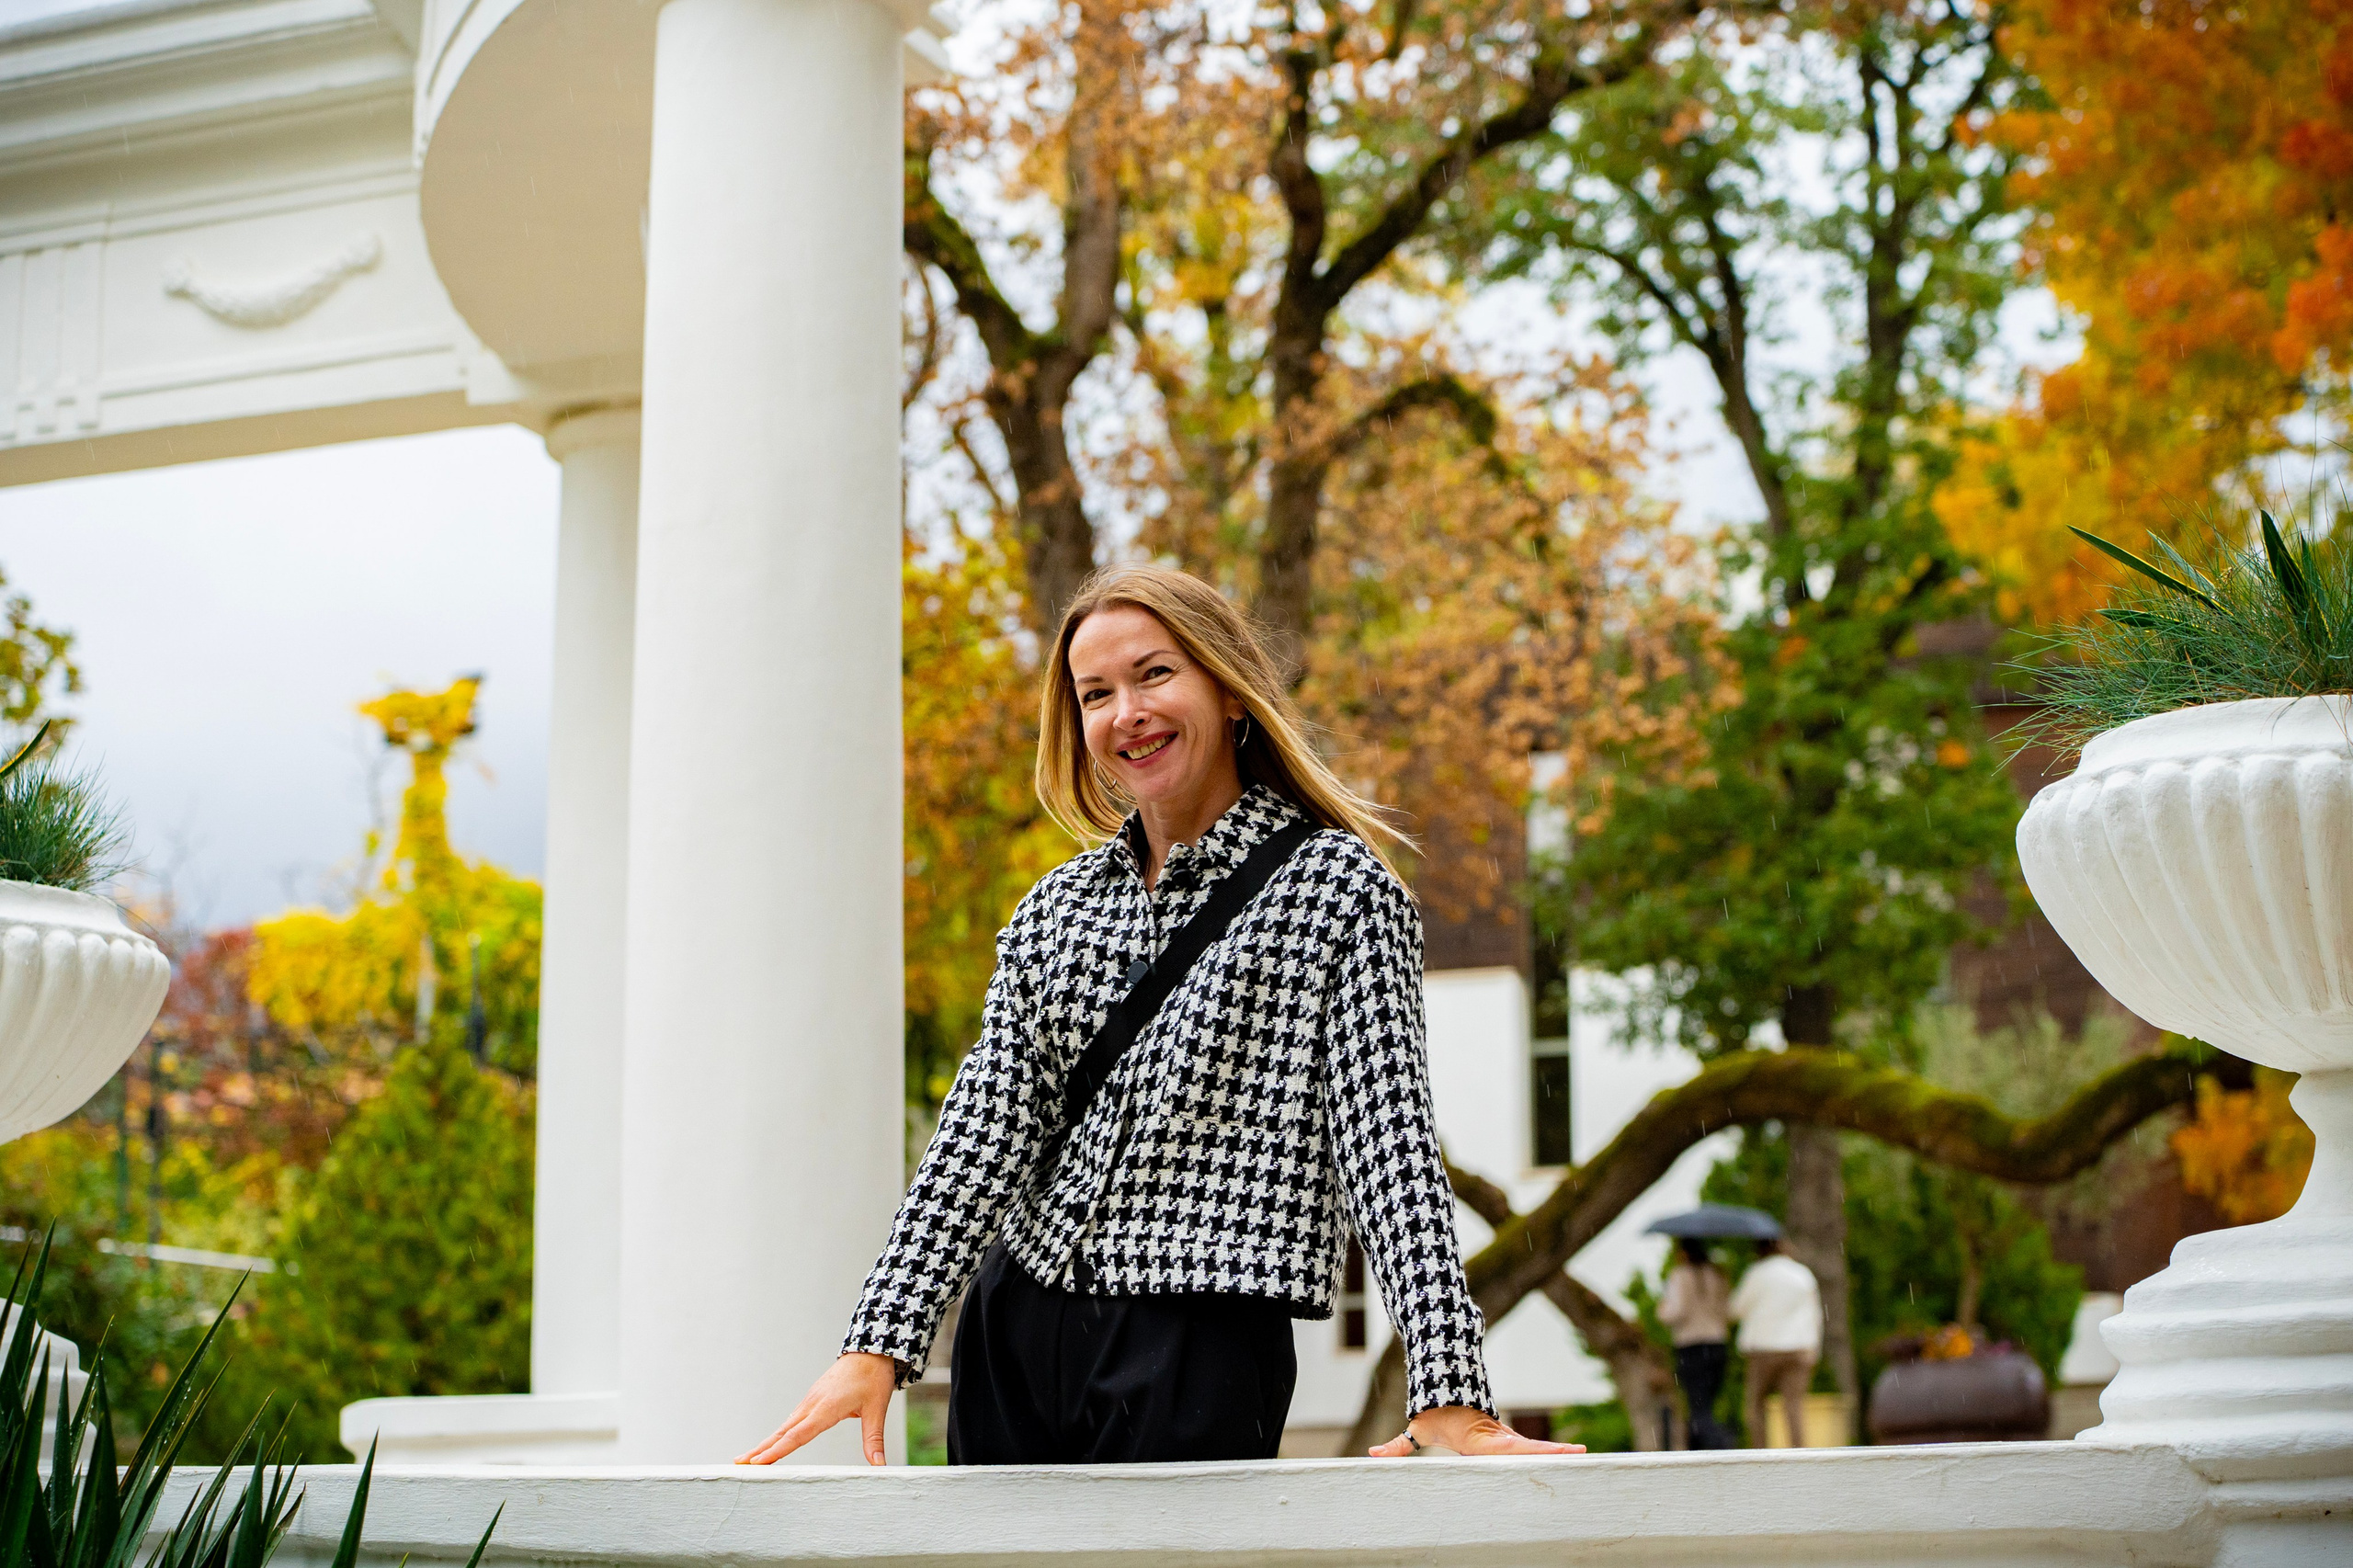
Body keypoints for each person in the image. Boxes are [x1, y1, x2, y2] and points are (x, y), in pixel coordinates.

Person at [734, 564, 1584, 1468]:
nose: (1124, 711)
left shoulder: (1341, 891)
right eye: (1095, 693)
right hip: (1015, 1323)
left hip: (1203, 1326)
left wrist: (1449, 1386)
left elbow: (1389, 1145)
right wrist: (880, 1339)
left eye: (1153, 674)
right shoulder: (1055, 908)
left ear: (1227, 689)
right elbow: (982, 1130)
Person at [1729, 1237, 1824, 1448]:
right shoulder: (1802, 1274)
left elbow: (1735, 1310)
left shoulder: (1756, 1274)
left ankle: (1761, 1455)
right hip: (1799, 1348)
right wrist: (1814, 1349)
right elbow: (1815, 1314)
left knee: (1755, 1405)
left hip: (1764, 1347)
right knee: (1794, 1406)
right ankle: (1798, 1456)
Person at [1657, 1237, 1733, 1448]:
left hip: (1691, 1347)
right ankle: (1710, 1443)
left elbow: (1676, 1311)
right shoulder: (1718, 1275)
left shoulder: (1680, 1275)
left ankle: (1715, 1446)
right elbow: (1728, 1311)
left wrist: (1662, 1309)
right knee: (1707, 1403)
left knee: (1697, 1405)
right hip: (1717, 1345)